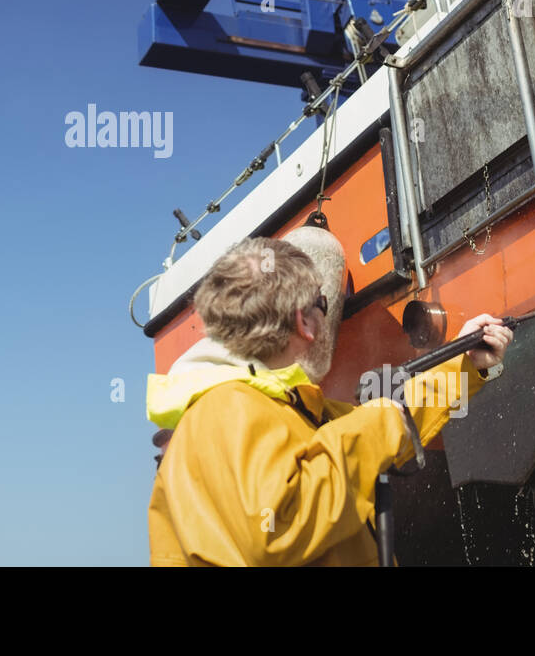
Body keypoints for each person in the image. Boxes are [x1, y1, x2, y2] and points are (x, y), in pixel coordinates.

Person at [146, 236, 511, 566]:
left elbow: (395, 415)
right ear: (303, 321)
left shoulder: (280, 407)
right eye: (323, 302)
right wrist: (377, 426)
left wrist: (462, 362)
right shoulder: (222, 410)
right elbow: (276, 530)